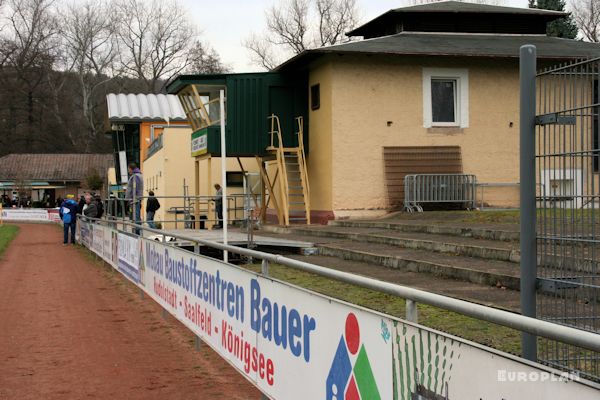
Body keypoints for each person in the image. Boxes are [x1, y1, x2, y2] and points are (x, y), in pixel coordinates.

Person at [125, 162, 143, 234]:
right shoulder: (138, 175)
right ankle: (137, 231)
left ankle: (137, 232)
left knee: (136, 216)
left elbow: (135, 188)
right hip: (135, 199)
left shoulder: (135, 176)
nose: (128, 171)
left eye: (128, 169)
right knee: (135, 216)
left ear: (130, 168)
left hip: (134, 200)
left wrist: (132, 198)